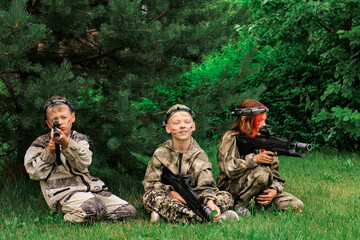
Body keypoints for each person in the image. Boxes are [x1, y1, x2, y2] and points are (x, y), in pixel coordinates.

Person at [24, 96, 137, 223]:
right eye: (55, 120)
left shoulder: (79, 139)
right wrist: (49, 151)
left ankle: (91, 214)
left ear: (72, 118)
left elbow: (83, 163)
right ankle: (64, 217)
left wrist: (67, 144)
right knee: (94, 208)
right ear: (48, 123)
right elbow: (35, 173)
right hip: (63, 194)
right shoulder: (40, 143)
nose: (60, 122)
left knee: (128, 212)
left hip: (90, 189)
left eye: (63, 117)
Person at [142, 104, 238, 223]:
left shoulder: (200, 155)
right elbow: (150, 184)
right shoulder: (160, 153)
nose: (182, 126)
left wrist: (210, 202)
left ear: (193, 126)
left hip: (196, 197)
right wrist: (172, 193)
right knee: (150, 198)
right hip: (169, 197)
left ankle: (169, 217)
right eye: (176, 123)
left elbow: (206, 185)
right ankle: (211, 219)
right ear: (168, 128)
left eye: (187, 122)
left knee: (226, 197)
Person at [216, 99, 304, 211]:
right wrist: (253, 160)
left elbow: (275, 175)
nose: (264, 125)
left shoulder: (265, 141)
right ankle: (240, 205)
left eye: (265, 120)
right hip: (232, 189)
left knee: (296, 205)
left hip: (260, 189)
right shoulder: (230, 137)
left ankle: (260, 205)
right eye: (259, 121)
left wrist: (274, 190)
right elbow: (228, 168)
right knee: (262, 173)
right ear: (244, 120)